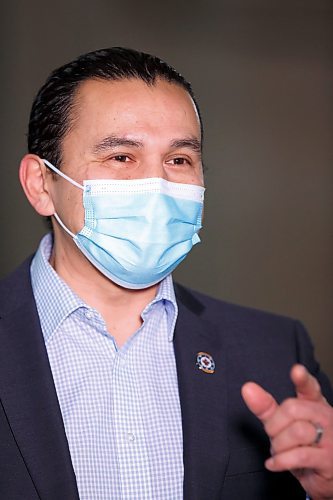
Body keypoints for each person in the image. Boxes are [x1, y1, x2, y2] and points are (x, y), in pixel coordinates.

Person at [0, 47, 332, 500]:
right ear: (41, 184)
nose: (156, 186)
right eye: (121, 157)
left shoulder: (274, 354)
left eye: (178, 160)